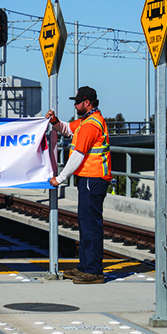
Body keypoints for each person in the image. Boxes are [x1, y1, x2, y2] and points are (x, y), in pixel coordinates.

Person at [46, 86, 112, 285]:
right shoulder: (85, 121)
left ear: (87, 103)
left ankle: (93, 270)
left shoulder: (91, 125)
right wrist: (55, 122)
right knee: (86, 224)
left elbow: (78, 154)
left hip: (93, 179)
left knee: (90, 225)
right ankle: (85, 267)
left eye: (77, 102)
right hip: (89, 179)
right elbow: (67, 129)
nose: (74, 104)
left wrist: (60, 178)